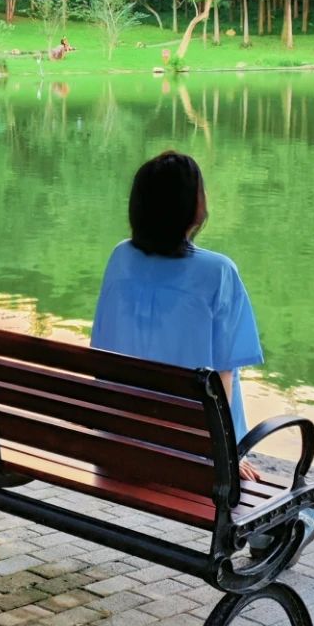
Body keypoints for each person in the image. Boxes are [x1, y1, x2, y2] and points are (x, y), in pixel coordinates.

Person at [91, 150, 263, 479]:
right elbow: (223, 378)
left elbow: (102, 351)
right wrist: (223, 458)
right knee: (222, 374)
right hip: (190, 451)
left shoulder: (120, 258)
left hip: (120, 438)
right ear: (191, 208)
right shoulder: (219, 272)